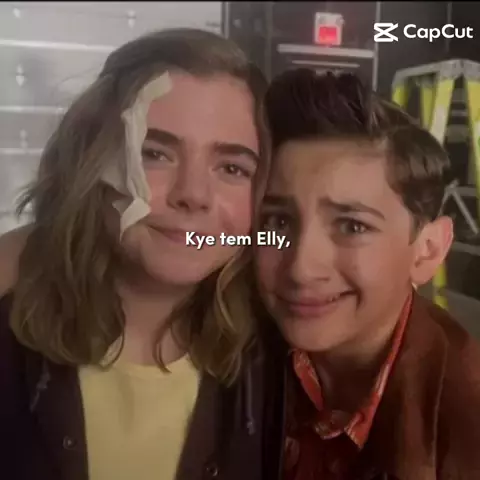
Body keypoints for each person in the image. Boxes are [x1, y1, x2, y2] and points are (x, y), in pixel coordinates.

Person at [0, 28, 271, 480]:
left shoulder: (279, 366)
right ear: (91, 163)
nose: (193, 195)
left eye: (231, 167)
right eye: (155, 153)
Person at [254, 69, 480, 479]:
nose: (302, 268)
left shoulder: (467, 426)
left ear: (428, 250)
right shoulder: (227, 352)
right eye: (278, 222)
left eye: (352, 226)